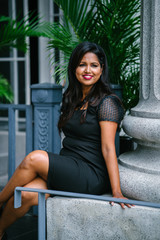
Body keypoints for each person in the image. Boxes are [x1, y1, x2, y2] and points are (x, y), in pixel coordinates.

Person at [0, 41, 132, 239]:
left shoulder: (107, 102)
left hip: (91, 173)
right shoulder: (74, 98)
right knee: (25, 194)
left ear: (102, 69)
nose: (88, 70)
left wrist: (116, 191)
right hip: (70, 166)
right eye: (82, 64)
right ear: (74, 68)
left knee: (35, 158)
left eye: (94, 65)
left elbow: (108, 148)